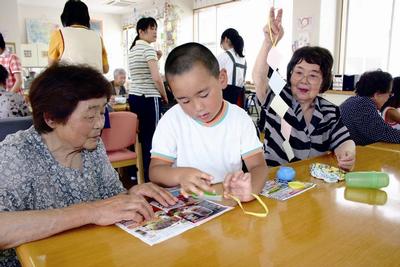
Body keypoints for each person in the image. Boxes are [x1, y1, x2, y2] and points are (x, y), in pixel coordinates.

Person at [0, 64, 177, 267]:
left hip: (86, 254)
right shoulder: (16, 153)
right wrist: (90, 211)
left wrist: (132, 195)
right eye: (90, 116)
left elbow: (110, 199)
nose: (100, 124)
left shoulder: (91, 146)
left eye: (103, 113)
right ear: (51, 118)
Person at [149, 42, 268, 202]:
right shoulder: (171, 120)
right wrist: (180, 175)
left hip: (229, 203)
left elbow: (258, 166)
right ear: (173, 93)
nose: (197, 107)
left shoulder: (239, 119)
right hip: (189, 206)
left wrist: (250, 189)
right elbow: (156, 171)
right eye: (184, 100)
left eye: (204, 94)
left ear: (221, 79)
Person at [252, 8, 355, 170]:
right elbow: (259, 78)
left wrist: (347, 153)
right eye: (299, 72)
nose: (304, 80)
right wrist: (268, 43)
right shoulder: (280, 96)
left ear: (323, 81)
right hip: (274, 181)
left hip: (311, 183)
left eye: (313, 75)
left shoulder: (330, 111)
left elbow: (343, 140)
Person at [128, 17, 168, 183]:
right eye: (151, 28)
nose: (155, 32)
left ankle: (135, 174)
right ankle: (152, 177)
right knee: (152, 139)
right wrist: (164, 95)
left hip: (135, 98)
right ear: (141, 32)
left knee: (139, 138)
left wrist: (155, 57)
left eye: (155, 29)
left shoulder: (133, 50)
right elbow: (156, 78)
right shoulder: (148, 49)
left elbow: (141, 73)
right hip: (150, 98)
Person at [48, 0, 109, 74]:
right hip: (96, 84)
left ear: (65, 17)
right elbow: (106, 69)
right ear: (87, 18)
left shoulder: (59, 34)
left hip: (70, 84)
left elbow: (51, 67)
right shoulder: (98, 37)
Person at [340, 70, 400, 145]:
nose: (388, 98)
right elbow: (384, 133)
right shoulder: (364, 105)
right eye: (389, 94)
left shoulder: (353, 100)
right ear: (377, 94)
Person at [217, 28, 247, 107]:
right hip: (238, 99)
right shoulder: (243, 59)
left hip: (224, 97)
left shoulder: (224, 56)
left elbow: (211, 74)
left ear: (226, 39)